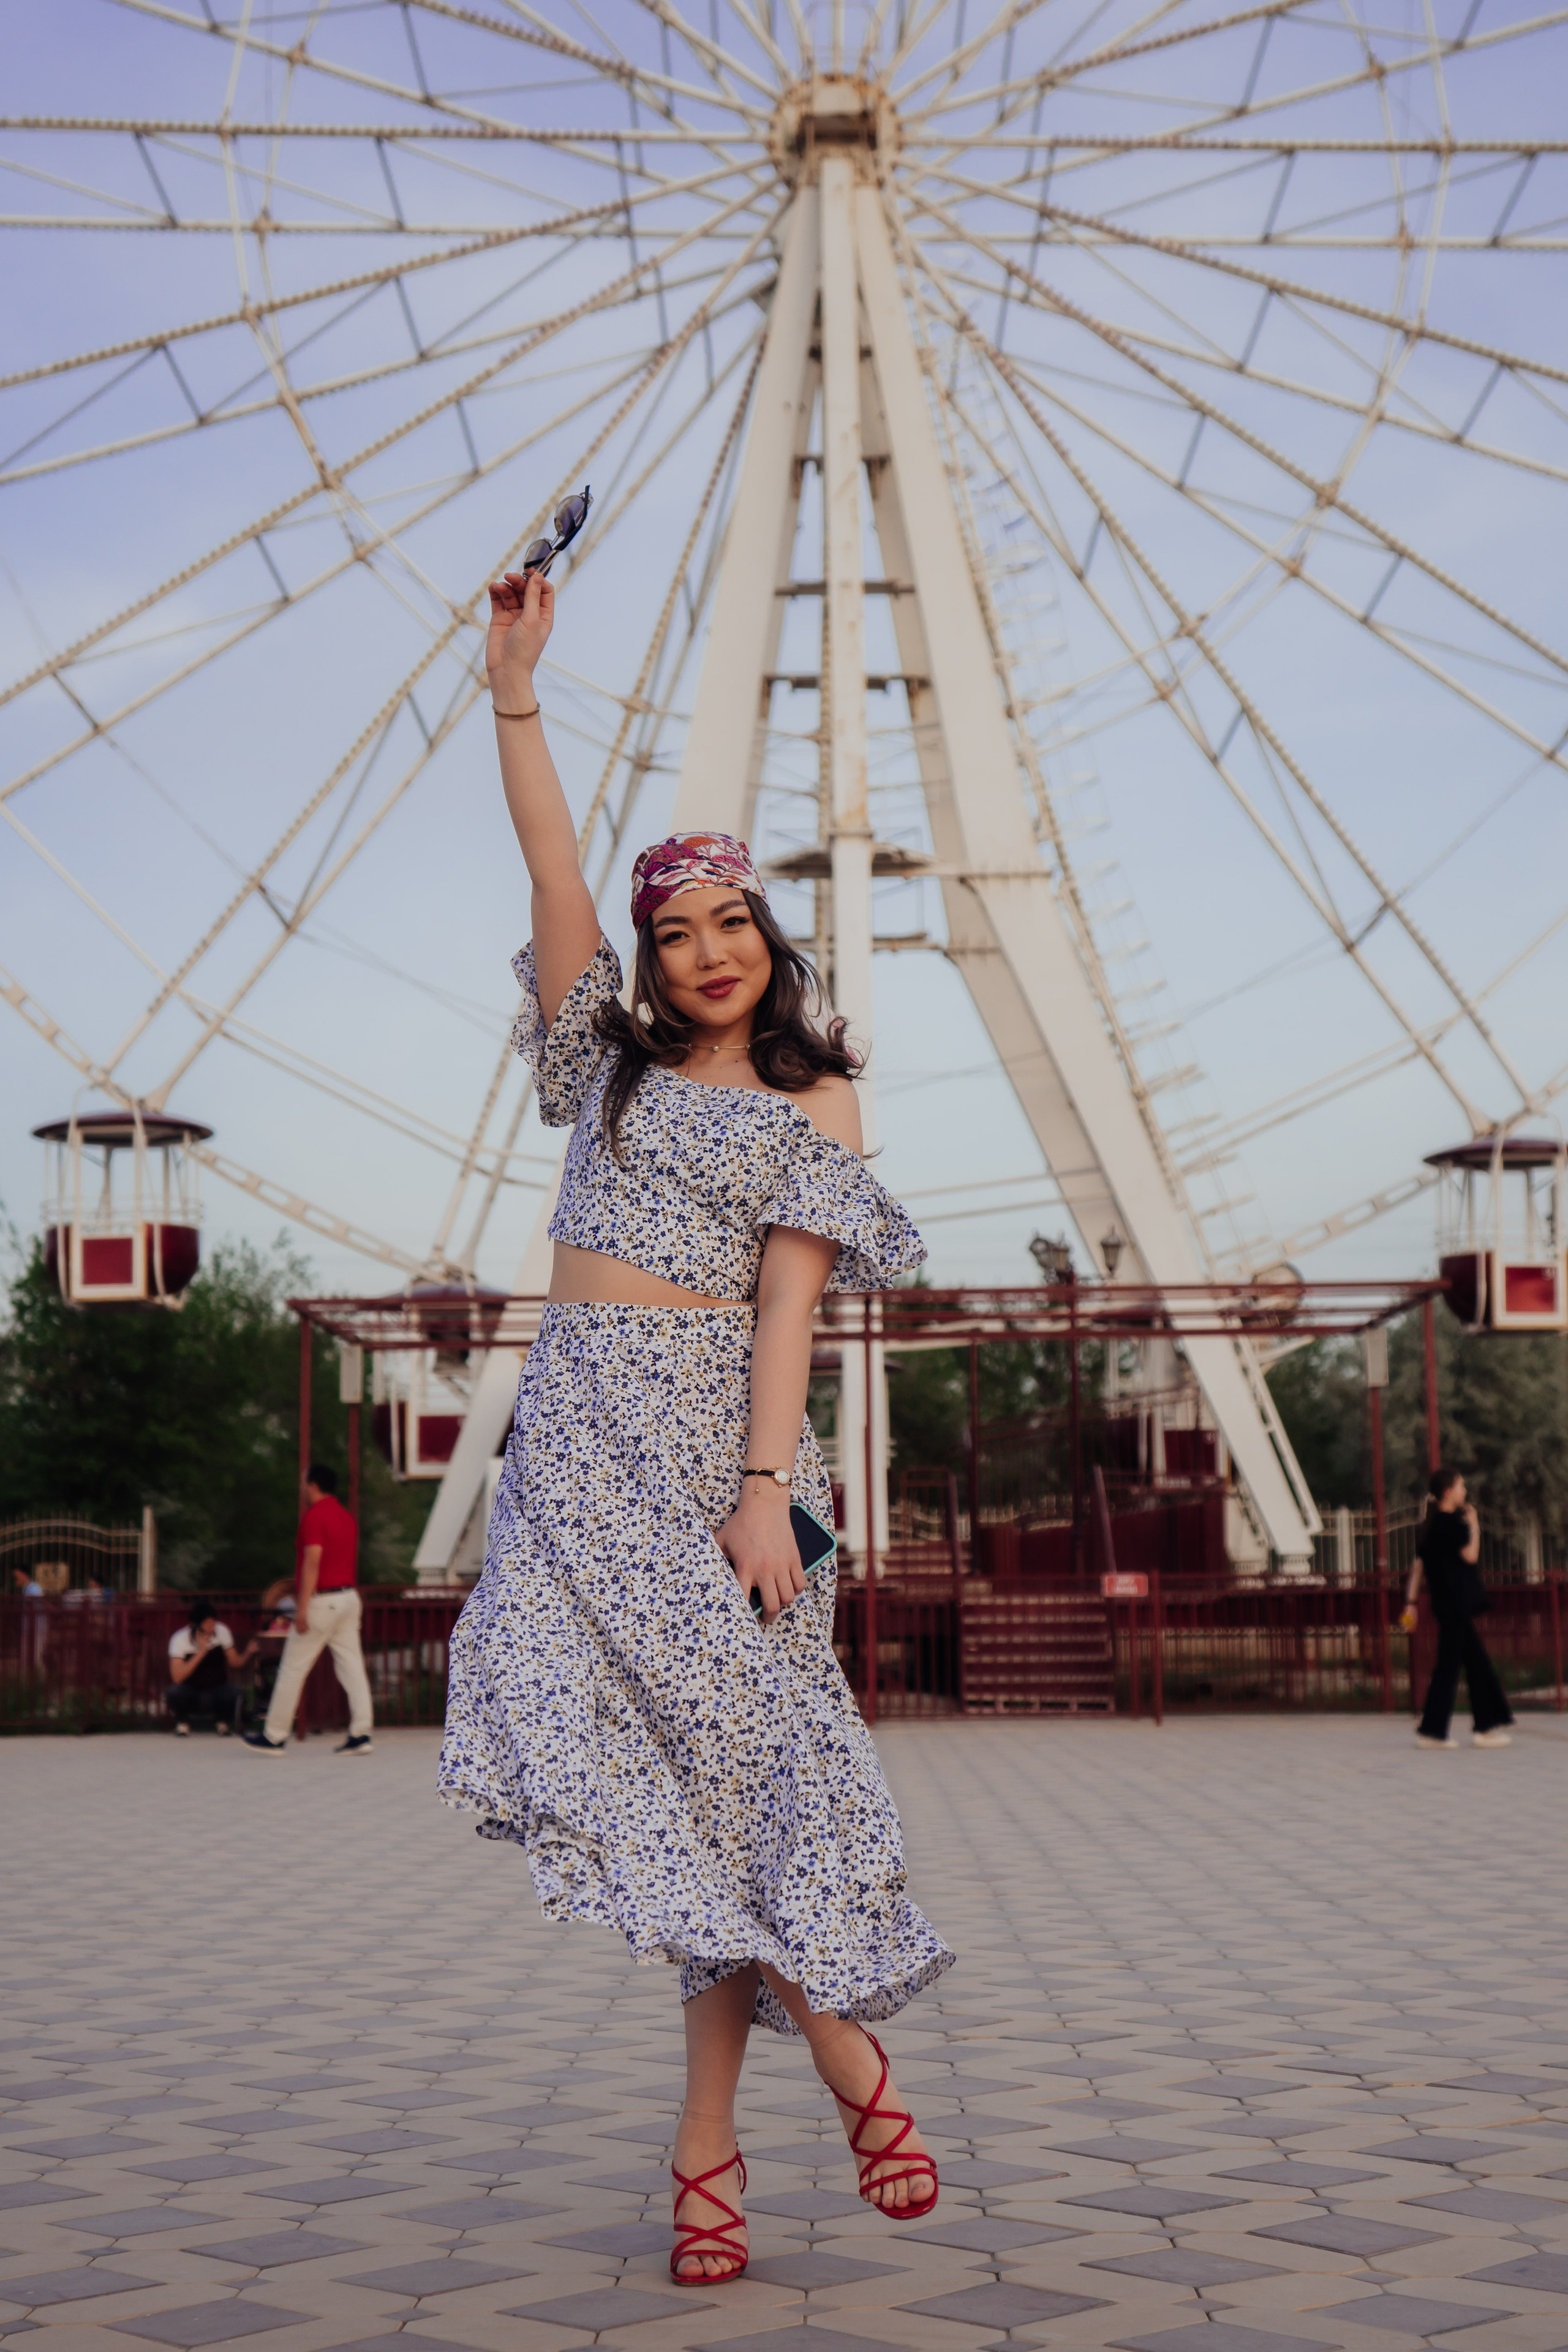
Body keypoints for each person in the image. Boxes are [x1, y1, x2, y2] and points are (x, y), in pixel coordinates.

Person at [436, 562, 954, 2288]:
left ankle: (709, 2151)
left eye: (732, 922)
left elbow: (793, 1308)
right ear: (652, 958)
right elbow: (551, 864)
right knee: (642, 1789)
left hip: (737, 1463)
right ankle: (839, 2062)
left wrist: (759, 1496)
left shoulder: (815, 1093)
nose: (708, 950)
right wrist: (517, 692)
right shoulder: (606, 1064)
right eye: (680, 931)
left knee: (744, 1791)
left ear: (771, 937)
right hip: (578, 1447)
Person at [243, 1463, 374, 1755]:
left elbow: (313, 1561)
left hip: (322, 1600)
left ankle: (274, 1736)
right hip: (349, 1598)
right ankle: (361, 1734)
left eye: (304, 1483)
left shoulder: (315, 1517)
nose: (301, 1488)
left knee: (292, 1668)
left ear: (313, 1485)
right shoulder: (346, 1518)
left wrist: (302, 1608)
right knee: (352, 1666)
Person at [1406, 1467, 1514, 1749]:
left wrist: (1411, 1603)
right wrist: (1475, 1525)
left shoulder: (1429, 1525)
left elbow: (1418, 1569)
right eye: (1461, 1486)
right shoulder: (1451, 1524)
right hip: (1456, 1605)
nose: (1465, 1491)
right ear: (1448, 1491)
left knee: (1471, 1664)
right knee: (1453, 1667)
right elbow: (1470, 1555)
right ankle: (1437, 1732)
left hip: (1445, 1605)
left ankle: (1483, 1727)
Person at [167, 1602, 257, 1736]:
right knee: (174, 1692)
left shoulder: (222, 1631)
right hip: (191, 1691)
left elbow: (235, 1662)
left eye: (213, 1623)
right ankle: (183, 1723)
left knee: (236, 1694)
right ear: (195, 1625)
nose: (211, 1627)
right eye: (207, 1624)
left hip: (217, 1689)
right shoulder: (180, 1639)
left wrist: (248, 1653)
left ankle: (222, 1722)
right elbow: (177, 1677)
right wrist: (201, 1653)